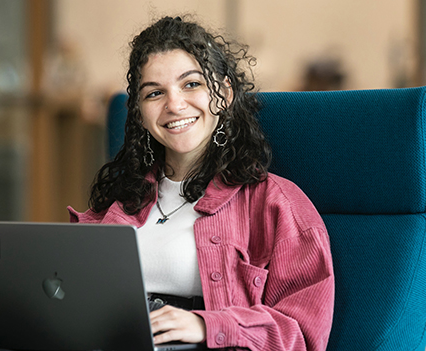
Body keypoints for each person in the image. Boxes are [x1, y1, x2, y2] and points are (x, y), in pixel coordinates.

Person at [68, 16, 334, 351]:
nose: (174, 104)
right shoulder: (120, 202)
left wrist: (208, 325)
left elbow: (303, 335)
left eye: (191, 84)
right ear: (139, 111)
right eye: (154, 93)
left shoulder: (276, 203)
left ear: (222, 94)